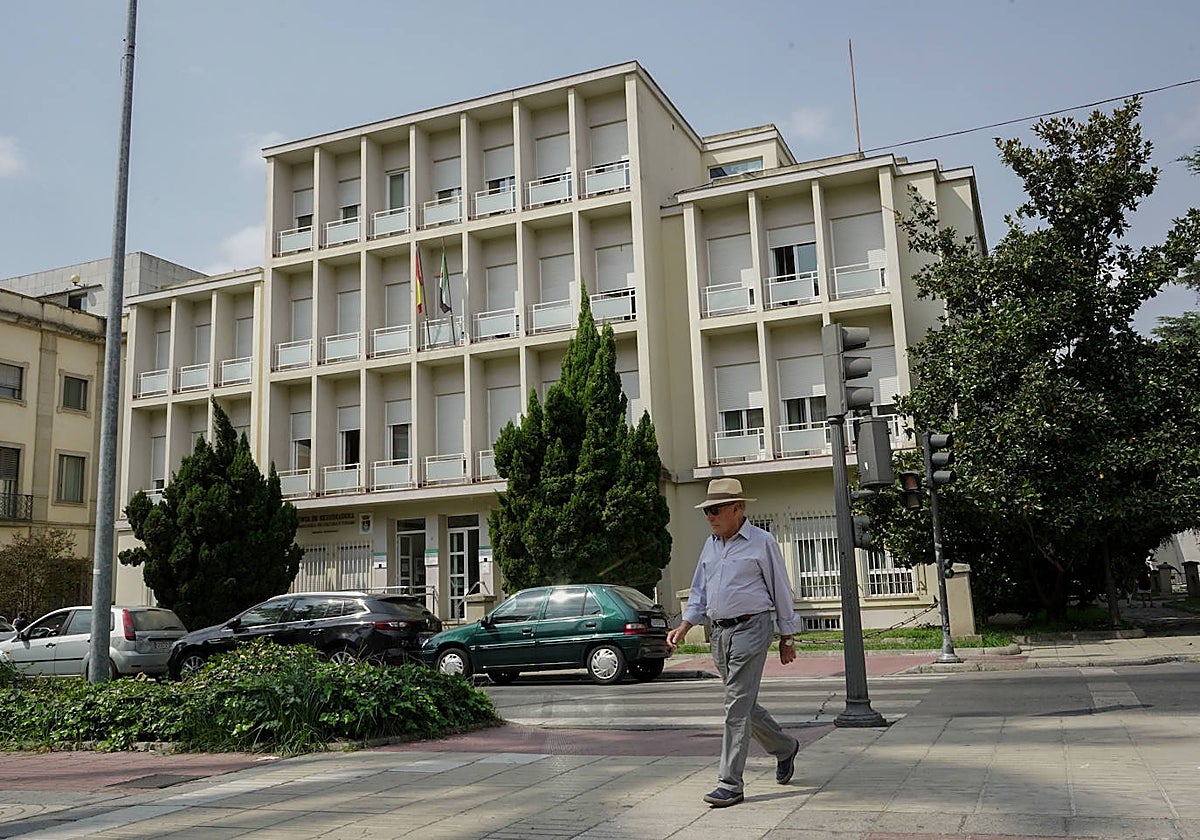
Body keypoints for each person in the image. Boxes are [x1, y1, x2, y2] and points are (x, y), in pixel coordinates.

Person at [666, 478, 800, 808]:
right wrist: (684, 625)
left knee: (735, 706)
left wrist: (788, 635)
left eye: (715, 510)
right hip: (720, 633)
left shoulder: (761, 542)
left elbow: (780, 589)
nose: (709, 516)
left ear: (737, 509)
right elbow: (699, 591)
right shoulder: (711, 545)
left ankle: (730, 783)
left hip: (752, 628)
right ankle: (785, 747)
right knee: (742, 703)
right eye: (706, 511)